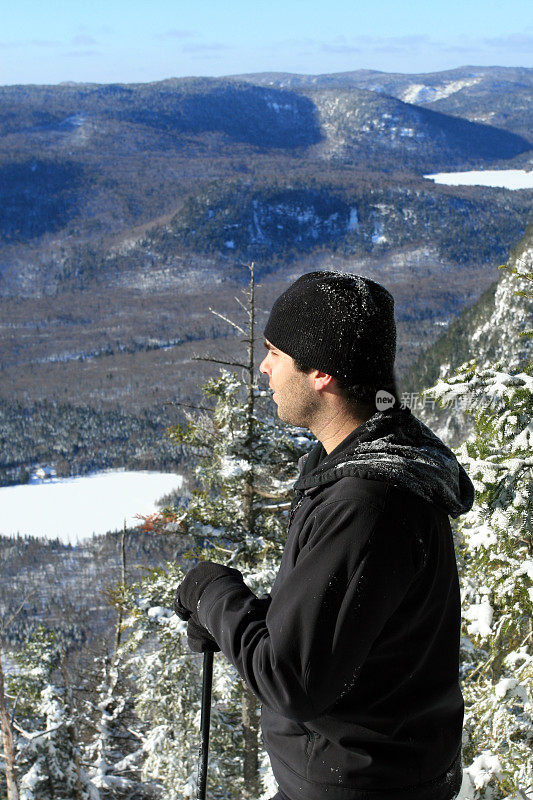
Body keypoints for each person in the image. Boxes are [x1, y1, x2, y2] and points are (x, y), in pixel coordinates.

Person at [175, 271, 474, 800]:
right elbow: (345, 616)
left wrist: (210, 593)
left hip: (360, 783)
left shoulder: (366, 501)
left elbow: (293, 680)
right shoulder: (369, 462)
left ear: (320, 373)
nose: (264, 367)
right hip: (379, 774)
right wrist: (232, 621)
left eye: (276, 352)